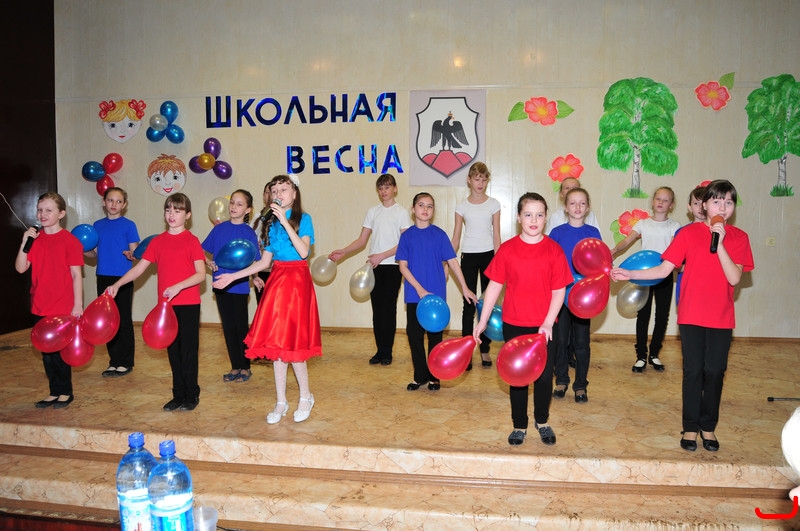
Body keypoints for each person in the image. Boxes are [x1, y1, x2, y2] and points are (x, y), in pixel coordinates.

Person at [611, 180, 754, 452]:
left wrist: (720, 243)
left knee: (715, 371)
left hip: (721, 317)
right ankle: (690, 427)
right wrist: (629, 273)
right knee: (693, 371)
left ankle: (708, 426)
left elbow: (734, 277)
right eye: (716, 201)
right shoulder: (687, 234)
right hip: (691, 314)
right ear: (704, 205)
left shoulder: (739, 237)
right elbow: (663, 270)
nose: (722, 207)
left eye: (728, 202)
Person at [213, 174, 321, 424]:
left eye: (284, 189)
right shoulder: (270, 224)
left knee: (294, 345)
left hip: (297, 283)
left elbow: (304, 252)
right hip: (277, 282)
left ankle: (305, 396)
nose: (278, 194)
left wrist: (285, 221)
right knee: (276, 345)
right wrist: (232, 276)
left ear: (294, 194)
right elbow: (263, 263)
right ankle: (281, 401)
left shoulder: (303, 219)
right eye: (275, 191)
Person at [474, 192, 572, 446]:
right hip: (514, 324)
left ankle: (542, 421)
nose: (534, 220)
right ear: (519, 217)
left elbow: (559, 290)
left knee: (543, 377)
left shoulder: (554, 250)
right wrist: (483, 320)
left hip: (544, 327)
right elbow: (494, 287)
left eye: (539, 215)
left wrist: (548, 322)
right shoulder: (507, 249)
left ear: (546, 217)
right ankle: (519, 425)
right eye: (528, 214)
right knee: (517, 378)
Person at [106, 193, 206, 412]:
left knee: (188, 350)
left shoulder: (192, 241)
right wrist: (117, 284)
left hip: (188, 304)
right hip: (166, 307)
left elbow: (200, 274)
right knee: (173, 351)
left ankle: (191, 393)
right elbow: (139, 269)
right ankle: (178, 394)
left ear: (187, 215)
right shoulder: (158, 242)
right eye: (168, 210)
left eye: (177, 210)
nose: (172, 215)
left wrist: (179, 286)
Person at [396, 192, 477, 391]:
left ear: (433, 211)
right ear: (413, 209)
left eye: (430, 206)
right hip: (415, 295)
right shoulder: (406, 236)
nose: (425, 209)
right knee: (414, 336)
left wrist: (465, 288)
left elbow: (453, 262)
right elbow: (403, 267)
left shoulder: (439, 235)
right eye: (421, 205)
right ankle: (420, 377)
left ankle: (434, 377)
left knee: (435, 338)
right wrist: (419, 289)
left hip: (436, 297)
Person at [328, 173, 409, 366]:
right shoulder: (373, 212)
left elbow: (404, 243)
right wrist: (344, 251)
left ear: (395, 189)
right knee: (377, 310)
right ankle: (379, 350)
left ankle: (387, 351)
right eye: (380, 188)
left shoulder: (402, 212)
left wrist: (382, 255)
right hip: (374, 267)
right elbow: (362, 241)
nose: (384, 191)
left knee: (388, 309)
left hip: (393, 267)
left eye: (387, 187)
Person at [16, 193, 84, 409]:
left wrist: (78, 305)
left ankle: (65, 392)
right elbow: (20, 268)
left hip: (62, 306)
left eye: (48, 210)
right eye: (39, 210)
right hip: (40, 305)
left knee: (61, 353)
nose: (42, 214)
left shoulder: (70, 241)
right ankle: (54, 391)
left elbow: (76, 275)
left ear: (61, 214)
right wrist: (24, 243)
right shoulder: (35, 241)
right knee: (46, 353)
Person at [610, 187, 680, 373]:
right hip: (644, 275)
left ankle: (654, 353)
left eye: (666, 200)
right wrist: (614, 251)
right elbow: (627, 241)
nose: (661, 202)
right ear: (653, 201)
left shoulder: (674, 226)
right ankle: (641, 355)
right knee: (643, 314)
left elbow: (676, 247)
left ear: (671, 205)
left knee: (662, 316)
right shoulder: (643, 224)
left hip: (664, 274)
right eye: (658, 198)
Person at [549, 187, 603, 403]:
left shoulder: (593, 233)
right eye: (573, 203)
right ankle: (561, 380)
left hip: (584, 298)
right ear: (565, 207)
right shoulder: (557, 233)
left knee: (581, 342)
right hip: (560, 296)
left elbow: (599, 263)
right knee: (561, 340)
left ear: (588, 207)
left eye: (582, 203)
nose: (577, 207)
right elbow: (550, 264)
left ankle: (581, 385)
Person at [202, 189, 261, 383]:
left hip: (239, 287)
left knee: (240, 327)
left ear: (248, 210)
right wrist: (208, 262)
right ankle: (235, 366)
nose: (234, 207)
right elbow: (201, 250)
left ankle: (245, 366)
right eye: (232, 202)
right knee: (228, 327)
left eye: (239, 204)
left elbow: (255, 259)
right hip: (220, 284)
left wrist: (256, 277)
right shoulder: (219, 229)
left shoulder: (248, 232)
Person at [450, 162, 501, 370]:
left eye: (484, 179)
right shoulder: (462, 207)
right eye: (477, 179)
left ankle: (485, 349)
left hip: (489, 256)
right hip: (468, 256)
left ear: (487, 181)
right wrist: (446, 260)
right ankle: (466, 350)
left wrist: (500, 261)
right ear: (469, 180)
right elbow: (456, 238)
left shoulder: (494, 204)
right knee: (469, 304)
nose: (480, 183)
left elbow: (497, 236)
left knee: (487, 303)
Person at [85, 187, 140, 378]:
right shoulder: (97, 225)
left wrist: (132, 254)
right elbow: (93, 254)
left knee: (123, 319)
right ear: (104, 202)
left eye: (118, 201)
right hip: (103, 277)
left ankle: (126, 362)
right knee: (108, 320)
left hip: (123, 278)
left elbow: (136, 251)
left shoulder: (129, 225)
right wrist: (82, 248)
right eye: (110, 200)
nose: (114, 204)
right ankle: (114, 361)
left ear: (124, 205)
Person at [675, 186, 706, 307]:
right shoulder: (682, 232)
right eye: (696, 203)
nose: (700, 207)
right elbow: (675, 265)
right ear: (690, 207)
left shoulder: (718, 233)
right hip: (688, 286)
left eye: (704, 202)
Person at [251, 181, 275, 303]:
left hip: (276, 269)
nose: (269, 195)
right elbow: (249, 238)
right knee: (262, 304)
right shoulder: (257, 217)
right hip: (260, 269)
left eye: (273, 192)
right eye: (267, 192)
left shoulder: (282, 217)